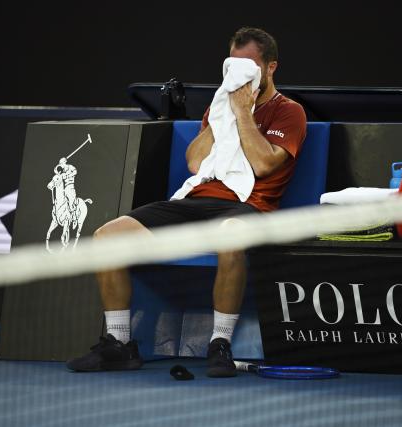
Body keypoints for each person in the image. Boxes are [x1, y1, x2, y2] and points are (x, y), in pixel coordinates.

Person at [66, 27, 307, 377]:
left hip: (248, 208)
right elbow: (195, 162)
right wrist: (224, 111)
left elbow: (264, 164)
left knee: (231, 234)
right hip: (196, 200)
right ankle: (119, 344)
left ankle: (219, 344)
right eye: (232, 66)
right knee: (107, 236)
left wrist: (243, 113)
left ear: (270, 68)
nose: (238, 76)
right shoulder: (219, 107)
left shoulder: (289, 111)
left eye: (248, 67)